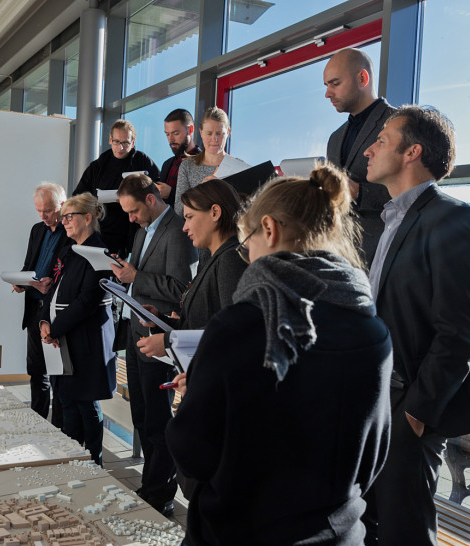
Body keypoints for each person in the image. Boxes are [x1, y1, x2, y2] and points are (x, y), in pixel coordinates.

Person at [166, 165, 393, 544]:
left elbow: (193, 452)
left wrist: (192, 397)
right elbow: (372, 457)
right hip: (339, 533)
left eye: (246, 244)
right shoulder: (372, 331)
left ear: (268, 229)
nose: (247, 256)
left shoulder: (240, 326)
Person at [363, 105, 470, 545]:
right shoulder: (391, 222)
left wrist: (416, 416)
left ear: (411, 152)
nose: (369, 148)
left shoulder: (453, 218)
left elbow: (460, 332)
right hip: (376, 402)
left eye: (381, 139)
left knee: (406, 533)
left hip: (408, 410)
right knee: (369, 524)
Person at [112, 174, 197, 516]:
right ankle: (150, 484)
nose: (130, 219)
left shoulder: (178, 230)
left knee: (159, 420)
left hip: (159, 335)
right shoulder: (142, 230)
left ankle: (159, 493)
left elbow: (182, 288)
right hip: (136, 332)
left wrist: (135, 278)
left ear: (150, 199)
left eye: (133, 211)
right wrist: (124, 281)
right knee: (142, 416)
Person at [39, 193, 117, 467]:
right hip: (63, 337)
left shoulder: (99, 253)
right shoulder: (69, 248)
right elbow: (52, 287)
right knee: (67, 401)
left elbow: (86, 301)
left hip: (85, 341)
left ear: (88, 218)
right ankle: (71, 456)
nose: (64, 222)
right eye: (64, 217)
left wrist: (55, 328)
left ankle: (93, 460)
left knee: (85, 402)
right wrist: (44, 322)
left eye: (69, 217)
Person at [136, 179, 246, 361]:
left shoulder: (230, 259)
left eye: (189, 217)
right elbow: (199, 323)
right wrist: (161, 321)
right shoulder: (217, 258)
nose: (185, 226)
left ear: (215, 213)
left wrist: (170, 341)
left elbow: (232, 331)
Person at [323, 47, 395, 268]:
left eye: (335, 84)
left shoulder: (397, 123)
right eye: (327, 86)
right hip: (340, 254)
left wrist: (358, 192)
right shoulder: (335, 138)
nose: (328, 94)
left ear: (363, 78)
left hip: (385, 254)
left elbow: (412, 189)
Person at [12, 183, 69, 424]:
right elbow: (29, 266)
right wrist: (22, 282)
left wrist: (49, 287)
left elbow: (69, 277)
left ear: (62, 206)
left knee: (58, 374)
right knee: (37, 372)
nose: (43, 216)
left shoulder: (71, 232)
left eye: (47, 210)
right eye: (38, 211)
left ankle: (59, 428)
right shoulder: (37, 229)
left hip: (56, 311)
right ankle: (38, 422)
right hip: (34, 307)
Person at [74, 119, 160, 258]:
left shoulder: (142, 161)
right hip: (101, 230)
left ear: (132, 143)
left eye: (125, 143)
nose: (120, 147)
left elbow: (157, 190)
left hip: (132, 229)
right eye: (116, 142)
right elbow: (79, 196)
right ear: (110, 140)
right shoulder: (98, 166)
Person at [174, 106, 242, 216]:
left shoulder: (238, 166)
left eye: (219, 134)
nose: (214, 139)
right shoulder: (187, 167)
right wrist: (200, 192)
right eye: (209, 133)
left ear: (228, 132)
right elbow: (179, 210)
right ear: (201, 132)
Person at [156, 109, 201, 207]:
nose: (170, 139)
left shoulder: (204, 162)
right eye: (167, 134)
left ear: (190, 130)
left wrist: (171, 194)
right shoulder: (167, 164)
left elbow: (202, 201)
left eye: (175, 133)